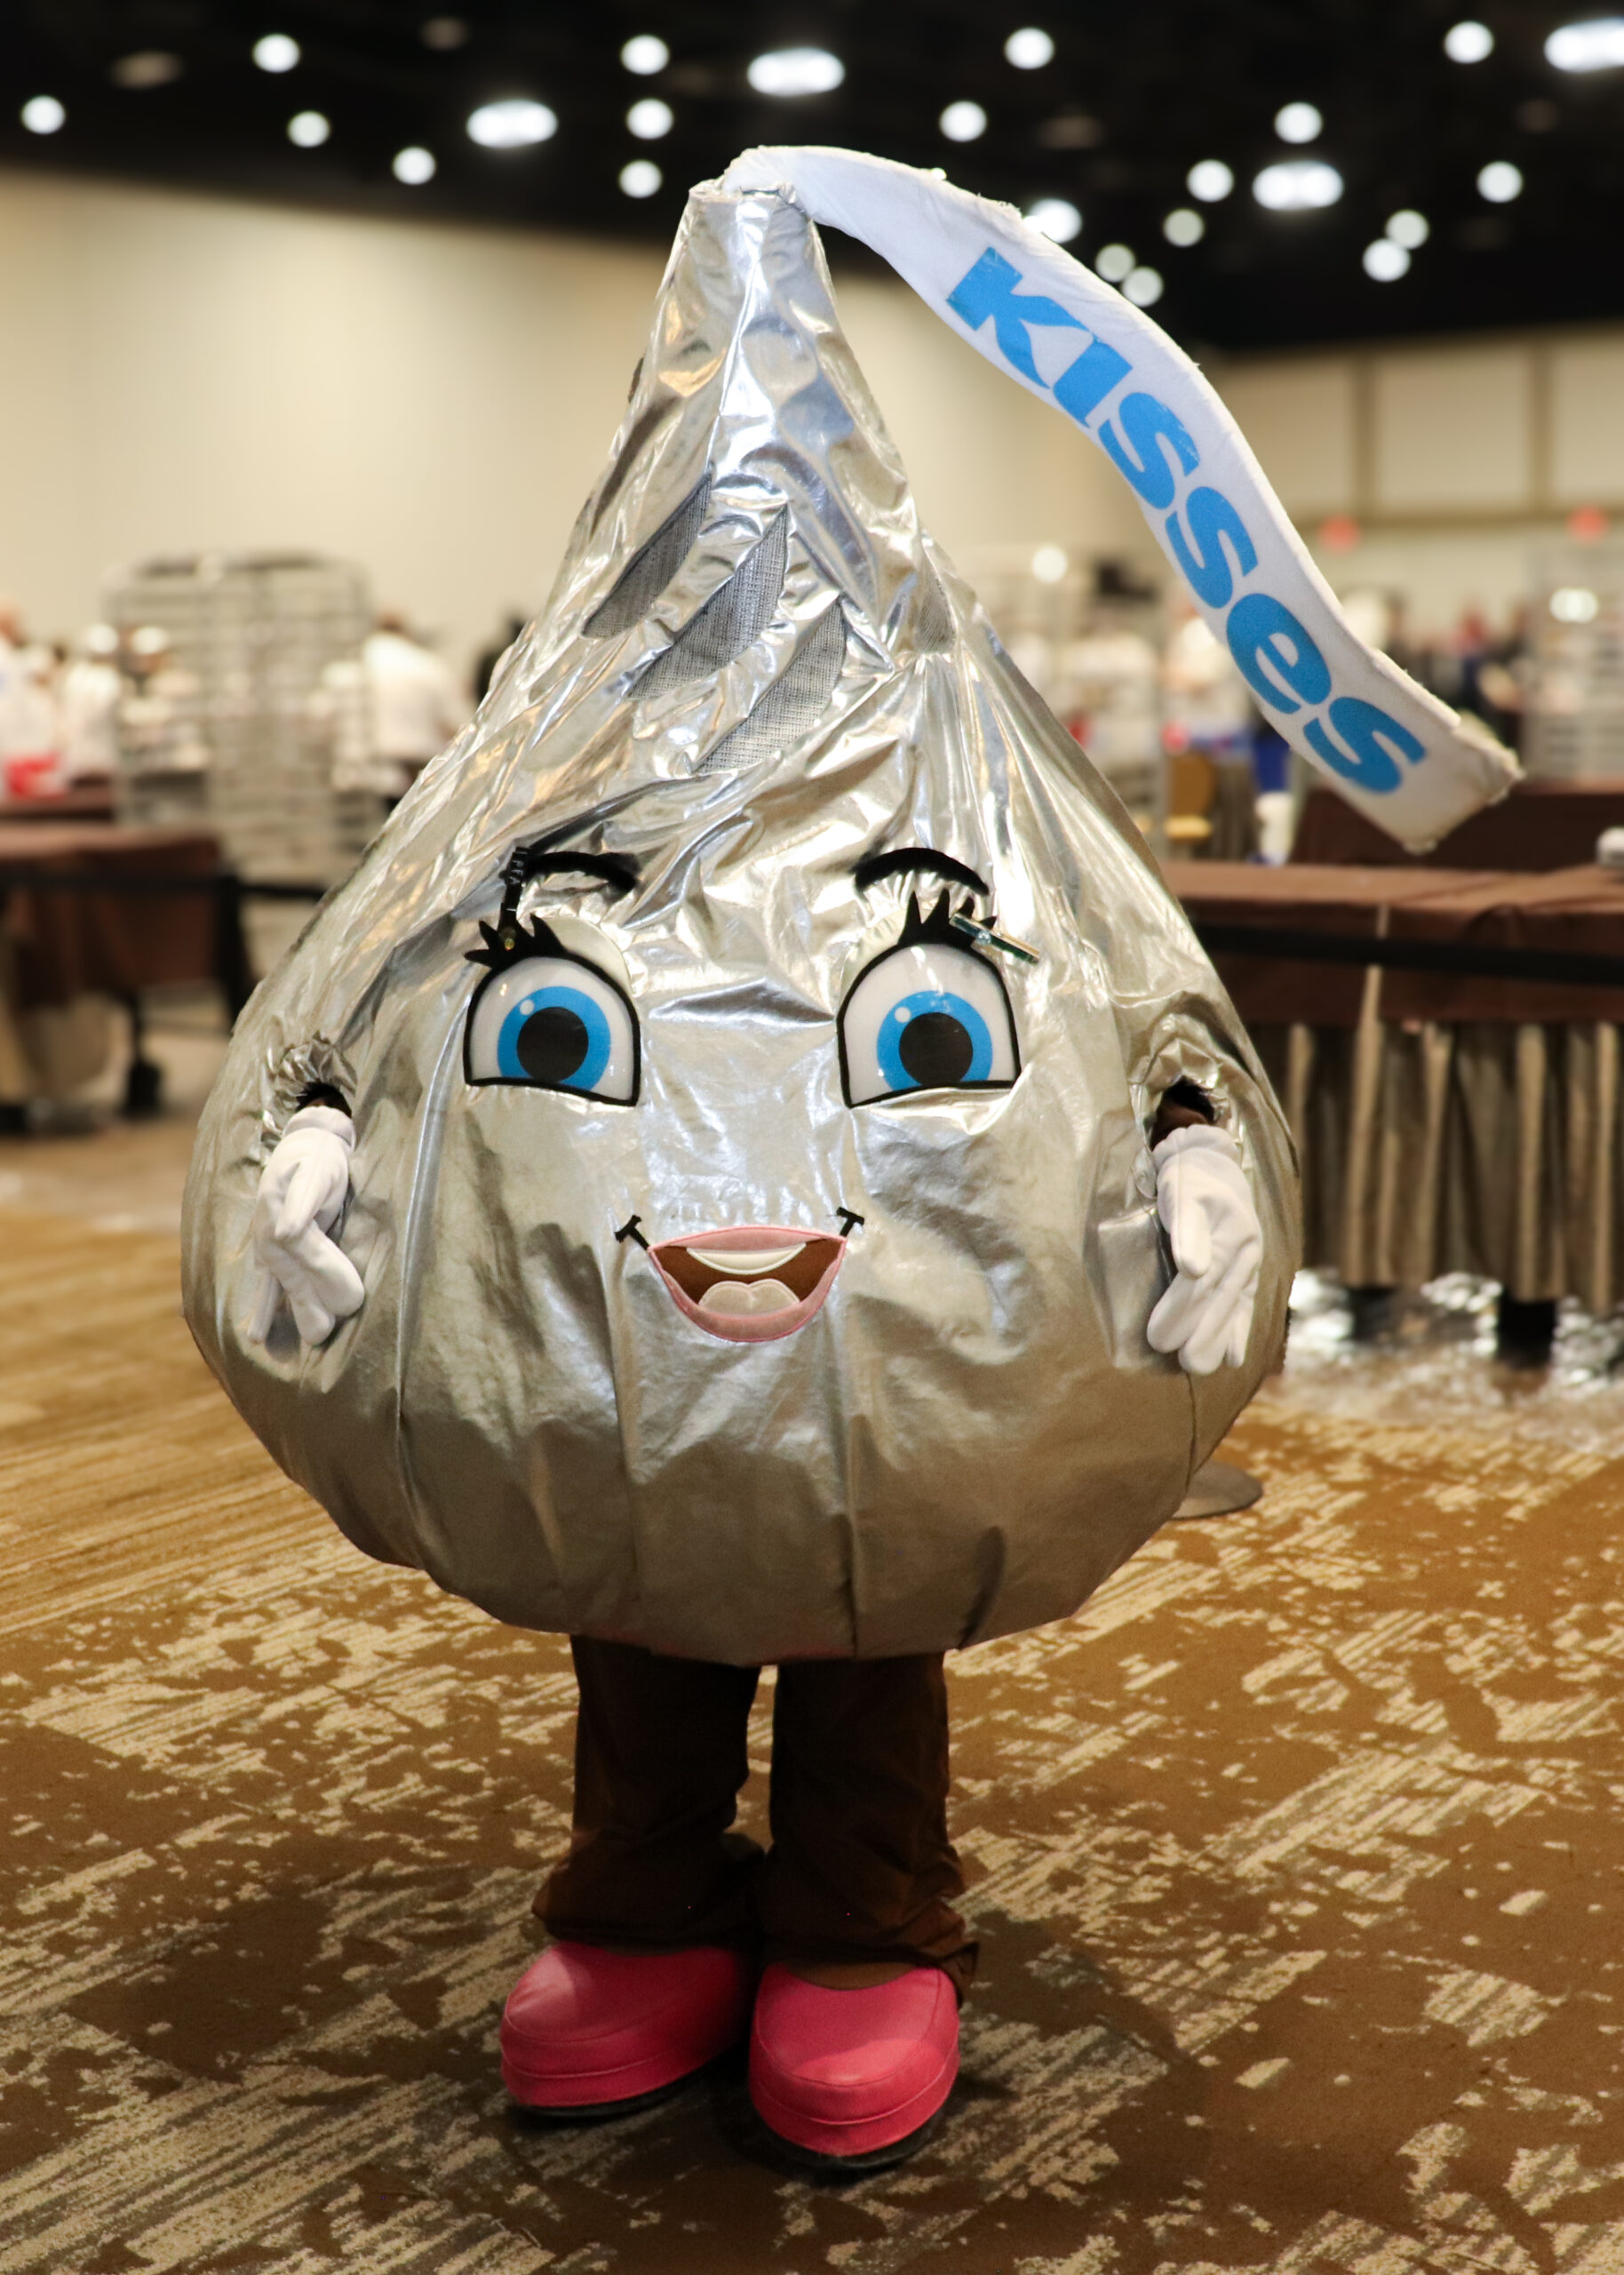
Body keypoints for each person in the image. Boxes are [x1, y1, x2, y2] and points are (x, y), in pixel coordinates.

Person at [186, 164, 1296, 2177]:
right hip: (614, 1334)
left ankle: (864, 1913)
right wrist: (312, 1134)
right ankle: (645, 1900)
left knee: (869, 1602)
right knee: (647, 1585)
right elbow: (361, 981)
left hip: (901, 1331)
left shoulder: (953, 781)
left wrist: (1191, 1139)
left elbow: (1132, 984)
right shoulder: (552, 787)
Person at [361, 611, 466, 801]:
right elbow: (454, 728)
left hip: (364, 776)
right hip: (418, 774)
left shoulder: (355, 664)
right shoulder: (429, 665)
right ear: (405, 630)